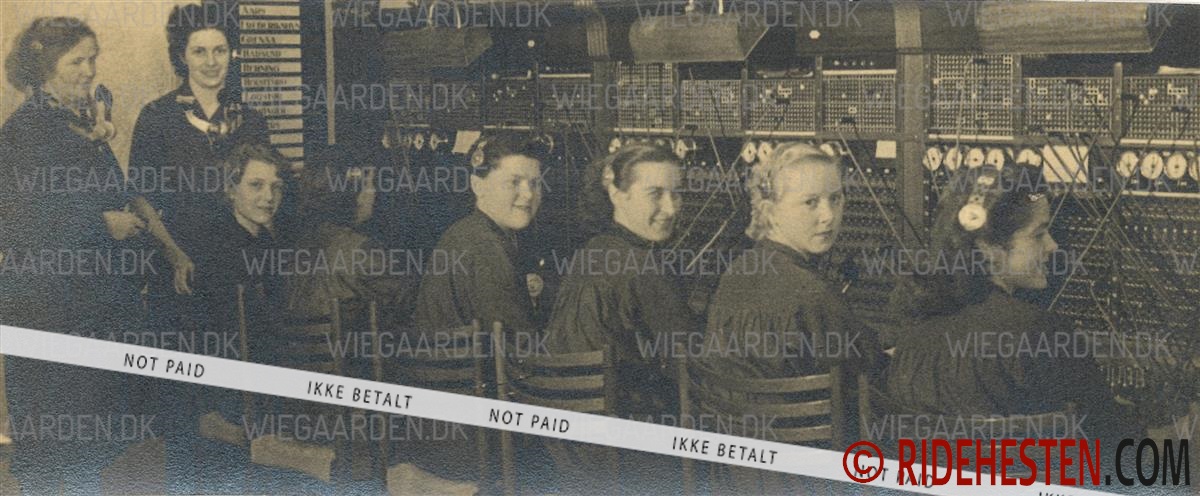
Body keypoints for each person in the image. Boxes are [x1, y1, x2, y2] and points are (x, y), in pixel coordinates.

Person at [883, 164, 1139, 446]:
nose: (1052, 246)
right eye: (1038, 234)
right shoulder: (1042, 333)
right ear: (989, 249)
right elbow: (1112, 438)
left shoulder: (911, 338)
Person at [0, 17, 144, 493]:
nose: (89, 70)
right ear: (46, 68)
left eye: (92, 59)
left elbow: (111, 190)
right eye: (76, 61)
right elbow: (19, 220)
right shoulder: (26, 130)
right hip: (45, 306)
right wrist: (104, 224)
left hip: (84, 303)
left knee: (84, 442)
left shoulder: (75, 124)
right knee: (51, 443)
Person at [696, 143, 884, 492]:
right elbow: (869, 375)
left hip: (739, 478)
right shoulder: (812, 295)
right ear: (772, 210)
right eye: (810, 202)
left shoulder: (736, 272)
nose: (828, 216)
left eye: (835, 199)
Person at [540, 143, 698, 493]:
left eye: (676, 193)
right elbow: (692, 363)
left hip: (570, 449)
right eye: (655, 194)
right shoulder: (642, 266)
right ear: (616, 192)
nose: (671, 208)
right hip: (626, 455)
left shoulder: (592, 250)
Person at [408, 132, 546, 483]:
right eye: (514, 182)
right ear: (477, 185)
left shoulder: (469, 234)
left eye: (534, 183)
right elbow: (524, 353)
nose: (528, 194)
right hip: (473, 438)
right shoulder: (485, 247)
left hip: (448, 424)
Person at [129, 2, 269, 308]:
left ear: (231, 53)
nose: (211, 62)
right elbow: (140, 199)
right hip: (180, 267)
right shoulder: (157, 117)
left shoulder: (252, 121)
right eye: (199, 51)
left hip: (242, 266)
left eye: (220, 50)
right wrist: (174, 255)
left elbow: (266, 195)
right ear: (182, 56)